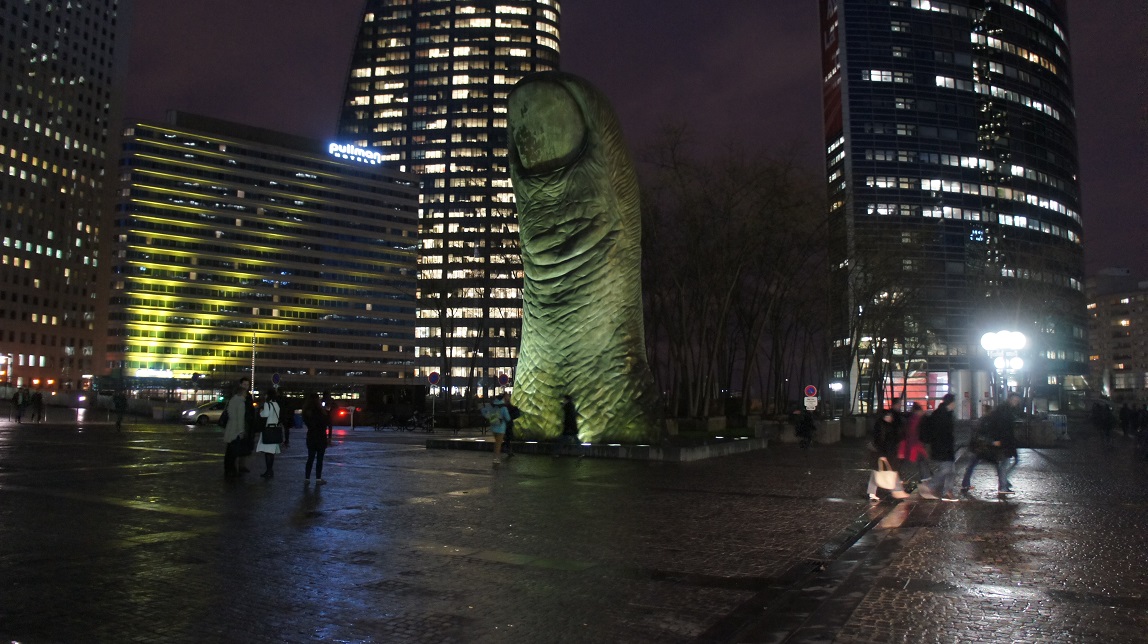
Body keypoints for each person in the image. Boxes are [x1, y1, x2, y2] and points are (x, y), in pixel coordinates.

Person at [962, 392, 1022, 495]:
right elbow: (1002, 429)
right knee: (1000, 464)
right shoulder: (1003, 412)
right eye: (1015, 400)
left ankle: (1003, 484)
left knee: (977, 462)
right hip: (990, 444)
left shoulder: (998, 413)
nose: (1016, 402)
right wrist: (995, 441)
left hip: (987, 444)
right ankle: (1003, 485)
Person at [919, 394, 958, 501]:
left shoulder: (947, 413)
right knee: (946, 470)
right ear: (950, 403)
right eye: (954, 402)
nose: (955, 404)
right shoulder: (940, 415)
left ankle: (948, 492)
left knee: (951, 471)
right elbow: (938, 433)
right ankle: (930, 486)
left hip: (946, 448)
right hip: (941, 448)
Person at [867, 400, 907, 501]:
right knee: (884, 472)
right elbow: (880, 441)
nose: (890, 418)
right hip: (882, 453)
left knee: (880, 472)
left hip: (887, 453)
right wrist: (882, 454)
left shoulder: (888, 426)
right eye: (888, 416)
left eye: (890, 416)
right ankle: (897, 490)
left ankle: (874, 492)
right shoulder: (881, 427)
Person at [223, 379, 250, 478]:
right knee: (234, 452)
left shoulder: (232, 400)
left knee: (229, 451)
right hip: (236, 430)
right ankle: (232, 470)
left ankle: (228, 469)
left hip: (230, 428)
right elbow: (240, 418)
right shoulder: (241, 403)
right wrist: (241, 431)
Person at [302, 392, 330, 483]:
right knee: (319, 459)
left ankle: (307, 478)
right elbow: (327, 423)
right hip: (321, 436)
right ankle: (318, 478)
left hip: (311, 436)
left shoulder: (307, 412)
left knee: (310, 458)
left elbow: (308, 423)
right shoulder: (322, 412)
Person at [255, 390, 284, 478]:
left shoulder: (267, 404)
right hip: (275, 428)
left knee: (267, 452)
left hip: (268, 429)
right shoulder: (276, 404)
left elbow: (265, 414)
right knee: (271, 453)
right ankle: (270, 471)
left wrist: (261, 412)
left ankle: (268, 471)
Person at [488, 395, 510, 464]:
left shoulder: (493, 406)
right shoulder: (503, 408)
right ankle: (496, 458)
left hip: (493, 427)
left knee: (496, 443)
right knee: (498, 444)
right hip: (501, 428)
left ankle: (495, 457)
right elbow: (508, 418)